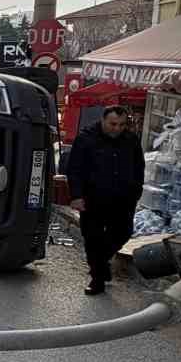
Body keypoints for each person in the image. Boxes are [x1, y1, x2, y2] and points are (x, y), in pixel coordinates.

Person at [66, 105, 145, 295]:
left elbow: (138, 167)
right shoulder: (86, 139)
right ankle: (98, 279)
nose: (117, 128)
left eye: (121, 125)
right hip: (93, 198)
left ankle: (99, 265)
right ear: (103, 120)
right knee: (92, 239)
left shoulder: (131, 140)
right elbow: (74, 169)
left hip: (123, 198)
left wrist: (136, 190)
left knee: (123, 233)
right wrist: (76, 196)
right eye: (113, 124)